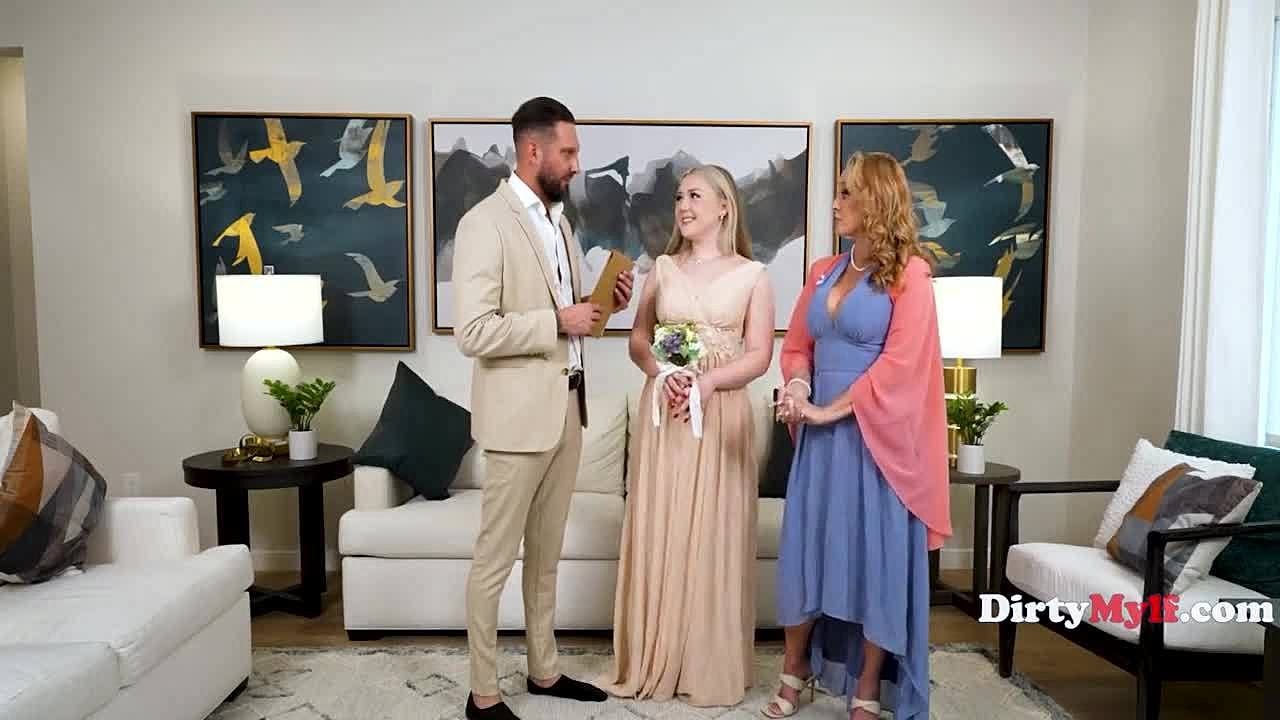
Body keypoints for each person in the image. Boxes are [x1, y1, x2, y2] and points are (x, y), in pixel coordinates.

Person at [452, 96, 634, 720]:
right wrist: (558, 320)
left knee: (545, 558)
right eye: (569, 151)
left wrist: (604, 302)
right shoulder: (484, 224)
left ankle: (544, 671)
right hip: (515, 423)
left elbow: (574, 322)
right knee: (494, 561)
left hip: (567, 412)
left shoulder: (561, 225)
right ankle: (482, 694)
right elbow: (473, 331)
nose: (577, 164)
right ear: (533, 150)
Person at [765, 152, 951, 720]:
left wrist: (828, 412)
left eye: (847, 192)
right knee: (805, 554)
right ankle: (794, 667)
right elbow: (798, 346)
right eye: (838, 191)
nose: (835, 203)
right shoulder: (823, 270)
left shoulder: (911, 275)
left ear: (877, 200)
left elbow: (900, 365)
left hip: (880, 445)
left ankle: (867, 684)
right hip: (819, 445)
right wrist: (799, 388)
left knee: (875, 562)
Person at [597, 164, 775, 707]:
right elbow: (639, 339)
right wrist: (664, 374)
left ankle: (705, 664)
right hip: (667, 413)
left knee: (715, 532)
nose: (683, 206)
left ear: (724, 206)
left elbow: (759, 356)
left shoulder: (753, 275)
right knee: (666, 525)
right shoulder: (663, 268)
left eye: (695, 196)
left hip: (719, 413)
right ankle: (659, 656)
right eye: (679, 197)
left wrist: (708, 383)